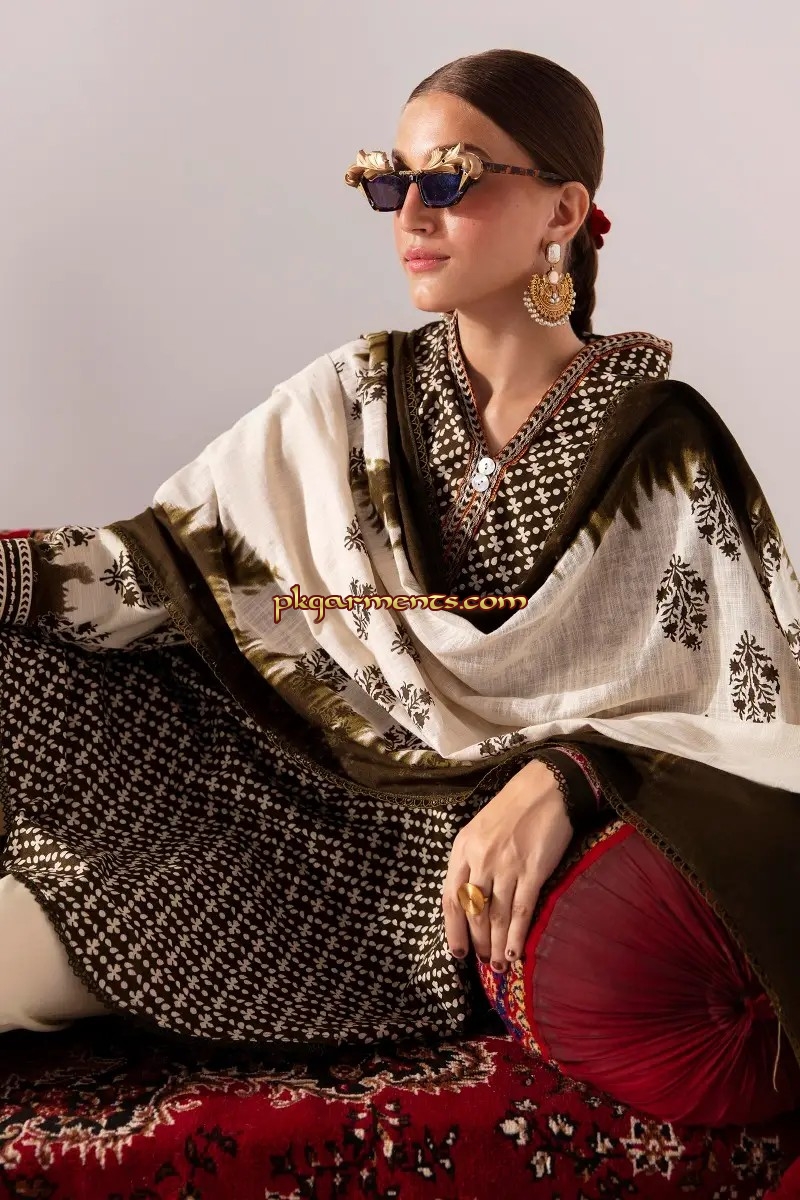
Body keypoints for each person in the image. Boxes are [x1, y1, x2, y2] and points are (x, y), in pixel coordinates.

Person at [0, 49, 798, 1120]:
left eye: (450, 178)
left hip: (406, 845)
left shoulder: (657, 444)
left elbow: (753, 710)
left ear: (563, 210)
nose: (411, 215)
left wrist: (567, 774)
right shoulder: (353, 391)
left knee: (32, 948)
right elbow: (163, 565)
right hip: (250, 745)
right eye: (391, 181)